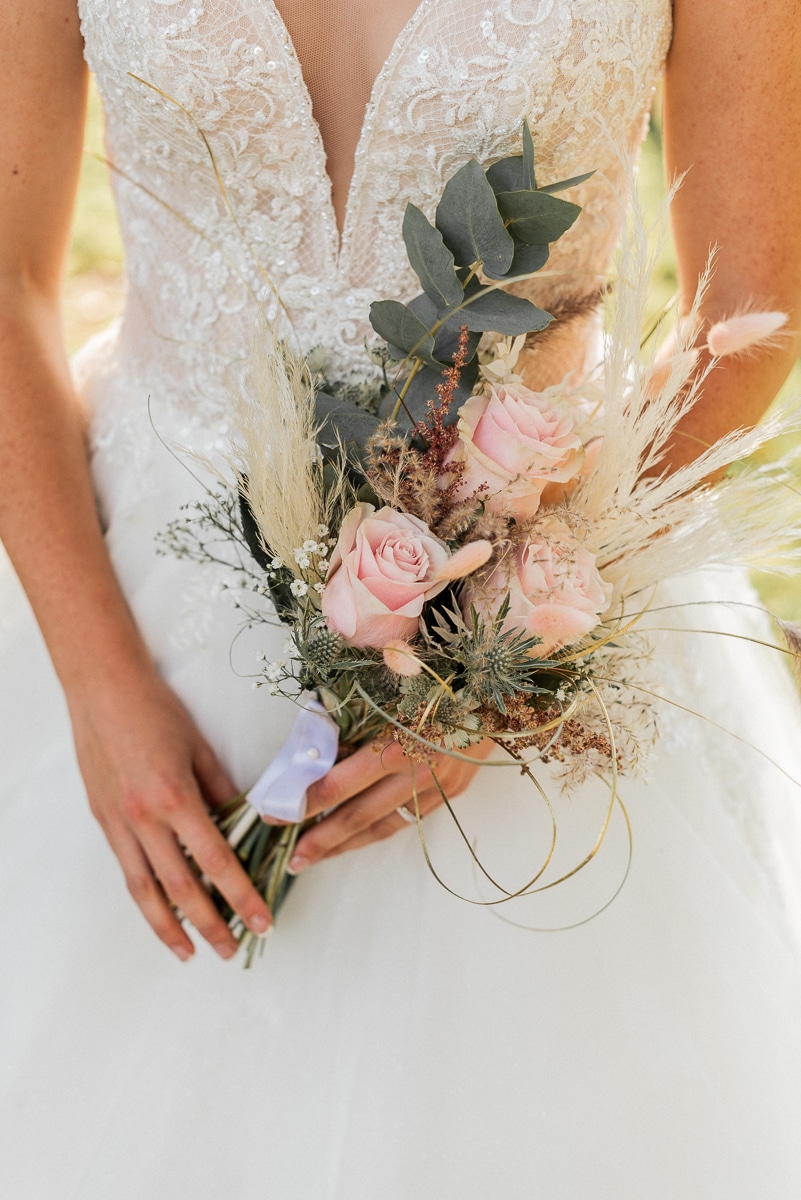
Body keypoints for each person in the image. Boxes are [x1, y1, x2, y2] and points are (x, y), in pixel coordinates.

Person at [1, 1, 801, 1196]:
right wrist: (97, 679)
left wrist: (512, 650)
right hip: (129, 591)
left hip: (532, 607)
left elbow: (755, 295)